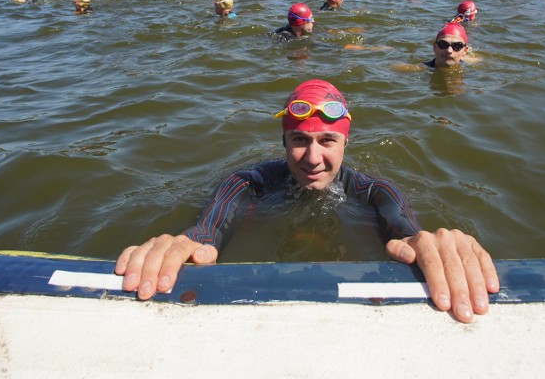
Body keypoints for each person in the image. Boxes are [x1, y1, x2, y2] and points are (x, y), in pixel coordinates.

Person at [115, 79, 499, 323]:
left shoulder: (375, 190)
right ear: (283, 143)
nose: (313, 159)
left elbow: (408, 230)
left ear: (346, 143)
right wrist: (186, 242)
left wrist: (428, 242)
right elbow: (206, 230)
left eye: (327, 141)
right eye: (300, 140)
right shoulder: (248, 181)